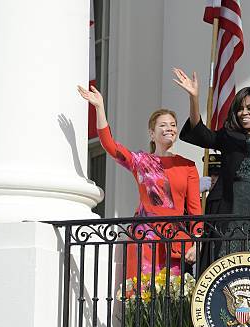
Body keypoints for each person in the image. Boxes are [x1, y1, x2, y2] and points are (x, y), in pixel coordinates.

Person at [172, 68, 250, 270]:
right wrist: (194, 99)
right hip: (226, 215)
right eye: (240, 108)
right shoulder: (229, 136)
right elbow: (200, 133)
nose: (244, 113)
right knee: (222, 271)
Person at [77, 85, 200, 280]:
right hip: (145, 238)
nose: (170, 128)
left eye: (173, 124)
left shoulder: (187, 166)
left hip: (176, 242)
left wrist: (196, 242)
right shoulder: (141, 161)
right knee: (142, 297)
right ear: (152, 134)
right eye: (163, 125)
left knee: (174, 299)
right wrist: (99, 108)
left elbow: (194, 209)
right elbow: (110, 146)